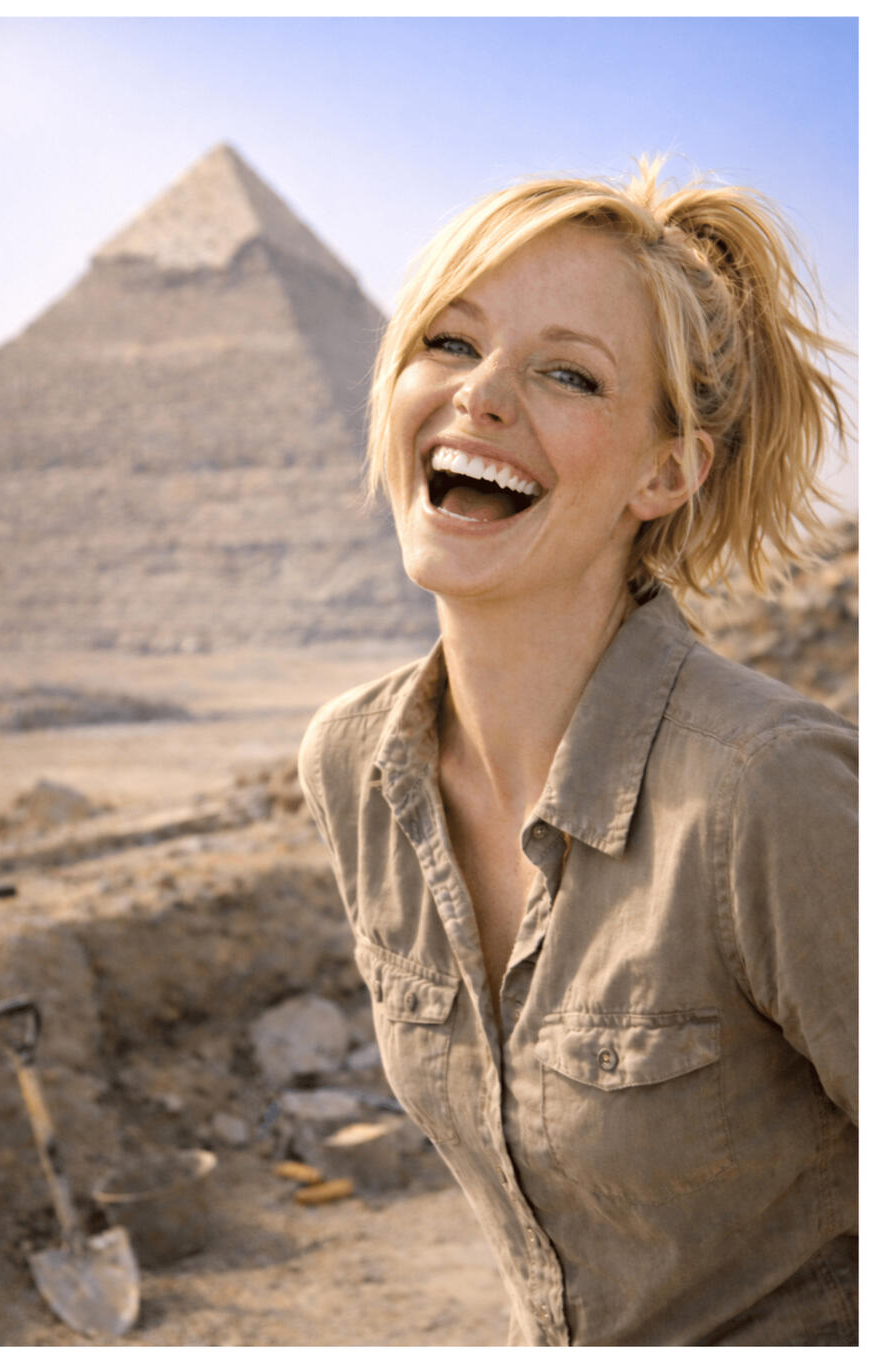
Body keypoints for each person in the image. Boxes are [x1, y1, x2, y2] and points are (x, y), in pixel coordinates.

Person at [297, 158, 857, 1346]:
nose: (482, 396)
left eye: (566, 373)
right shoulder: (353, 767)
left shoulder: (768, 790)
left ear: (667, 471)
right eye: (448, 343)